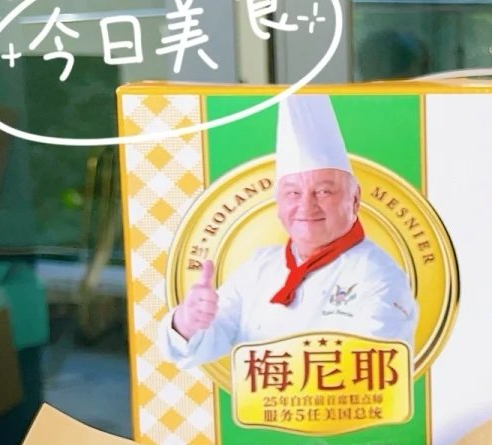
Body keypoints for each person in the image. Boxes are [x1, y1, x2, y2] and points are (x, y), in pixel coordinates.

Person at [160, 94, 417, 369]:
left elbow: (375, 367)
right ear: (278, 203)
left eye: (323, 191)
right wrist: (188, 322)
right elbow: (207, 339)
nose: (306, 206)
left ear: (354, 200)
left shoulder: (378, 275)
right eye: (293, 193)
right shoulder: (259, 266)